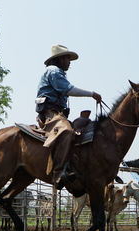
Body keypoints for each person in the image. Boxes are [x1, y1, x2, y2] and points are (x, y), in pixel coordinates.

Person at [36, 44, 102, 189]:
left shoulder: (58, 72)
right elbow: (68, 89)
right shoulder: (53, 71)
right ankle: (58, 172)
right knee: (67, 132)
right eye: (67, 58)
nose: (69, 61)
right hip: (50, 113)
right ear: (59, 59)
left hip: (58, 112)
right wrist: (91, 94)